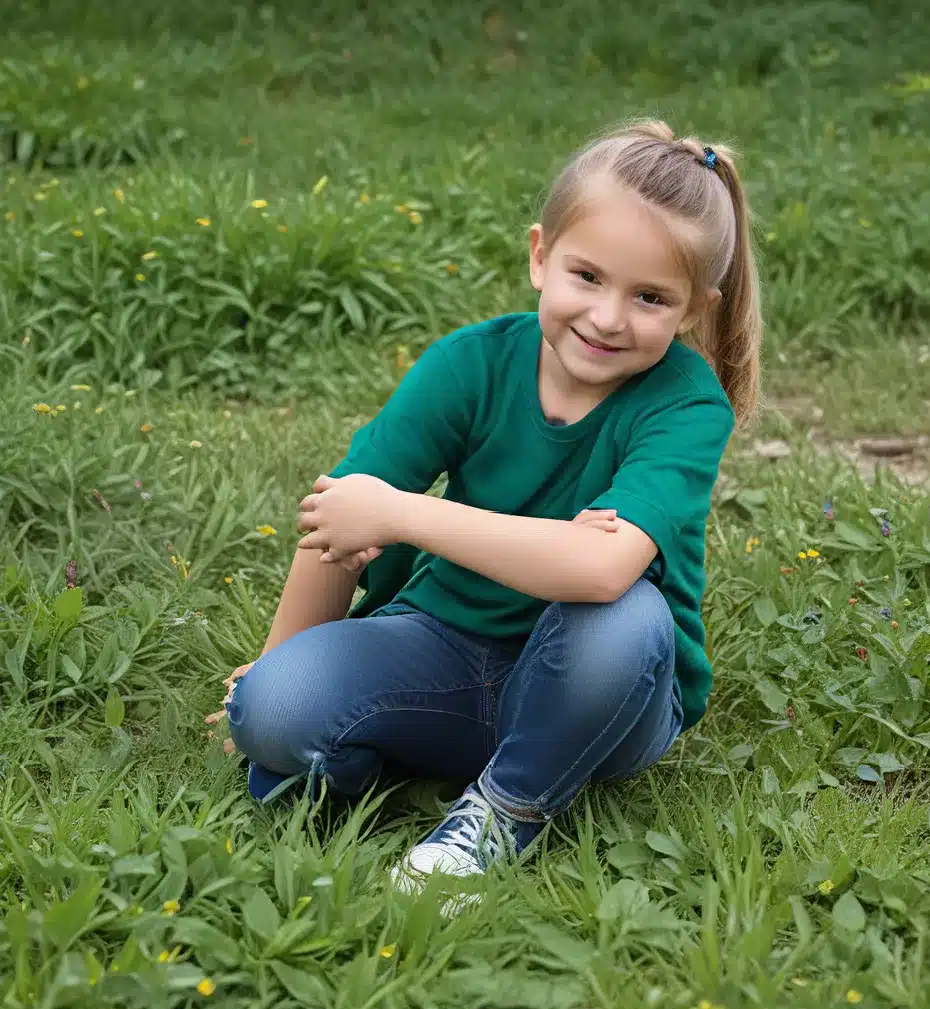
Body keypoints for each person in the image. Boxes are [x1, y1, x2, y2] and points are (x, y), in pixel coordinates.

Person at [205, 117, 761, 892]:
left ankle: (505, 808)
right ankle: (384, 754)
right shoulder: (471, 364)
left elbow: (599, 573)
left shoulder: (685, 407)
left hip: (602, 690)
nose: (607, 318)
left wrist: (402, 514)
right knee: (273, 707)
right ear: (540, 256)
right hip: (444, 650)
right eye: (588, 277)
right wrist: (272, 664)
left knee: (624, 612)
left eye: (650, 297)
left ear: (695, 309)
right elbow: (339, 518)